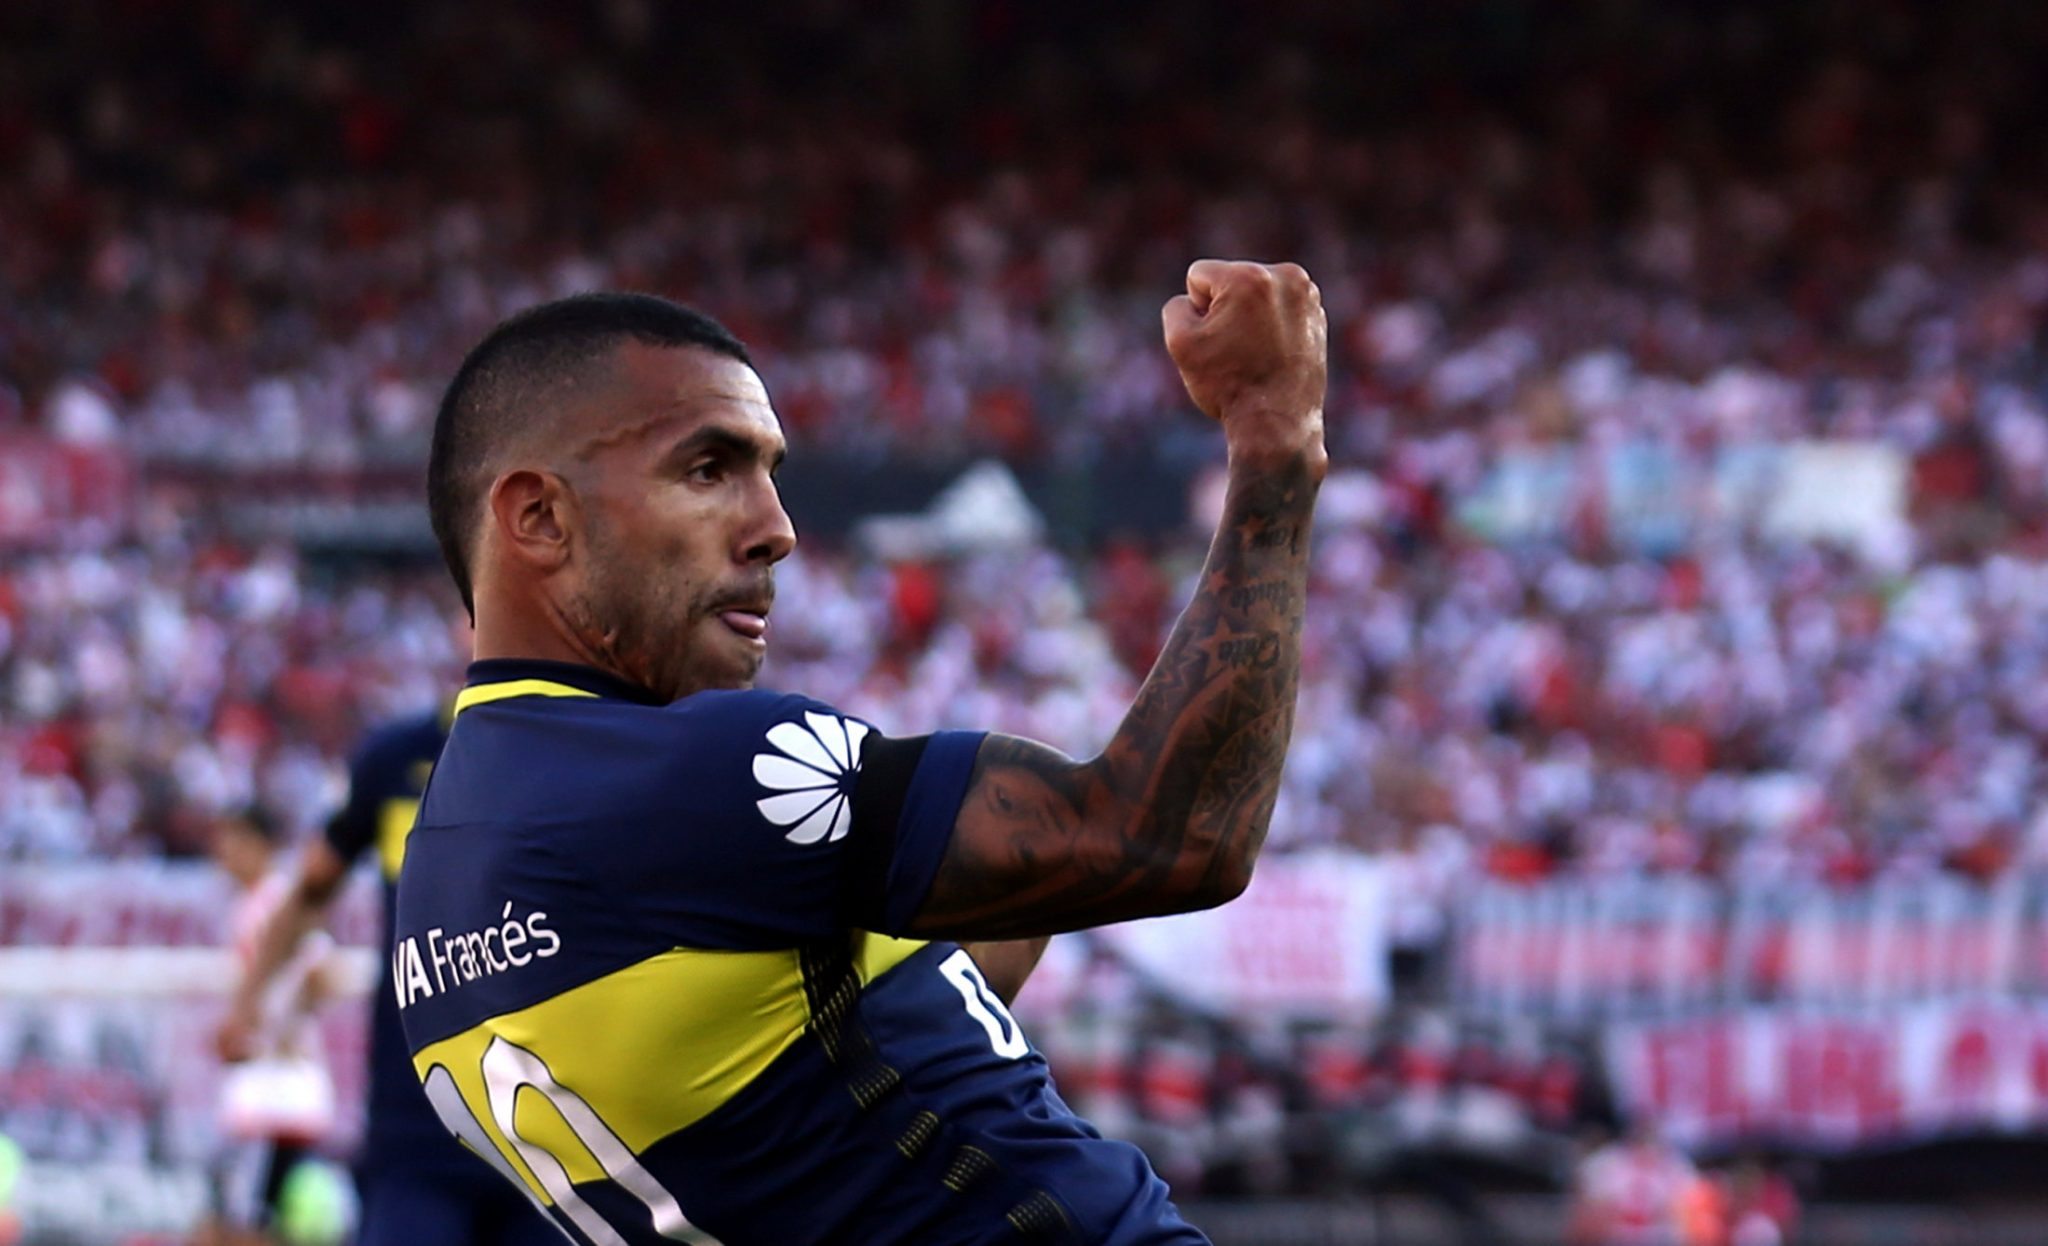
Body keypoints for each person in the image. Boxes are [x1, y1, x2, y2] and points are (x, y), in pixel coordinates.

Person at [394, 259, 1326, 1245]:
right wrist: (1274, 438)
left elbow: (813, 1074)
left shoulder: (439, 883)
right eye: (708, 469)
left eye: (769, 474)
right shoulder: (697, 774)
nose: (777, 530)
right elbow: (1173, 837)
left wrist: (1001, 870)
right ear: (539, 517)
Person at [216, 711, 558, 1246]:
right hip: (420, 1127)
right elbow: (311, 888)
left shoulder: (573, 746)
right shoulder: (396, 758)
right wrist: (247, 1005)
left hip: (549, 1129)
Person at [202, 808, 336, 1246]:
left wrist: (278, 1033)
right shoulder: (252, 903)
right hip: (265, 1083)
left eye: (234, 841)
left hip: (274, 1087)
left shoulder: (276, 902)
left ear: (261, 846)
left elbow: (318, 972)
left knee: (249, 1223)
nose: (224, 854)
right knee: (238, 1216)